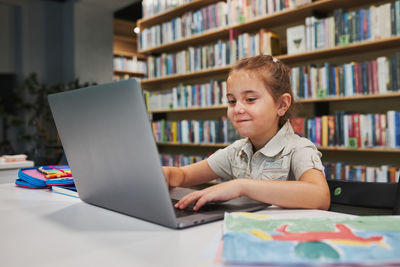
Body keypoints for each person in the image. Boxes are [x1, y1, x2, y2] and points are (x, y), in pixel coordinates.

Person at [163, 55, 330, 211]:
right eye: (231, 101)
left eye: (250, 99)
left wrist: (241, 186)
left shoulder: (298, 148)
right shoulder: (236, 152)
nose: (238, 109)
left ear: (282, 105)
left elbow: (320, 196)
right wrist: (165, 173)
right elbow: (183, 175)